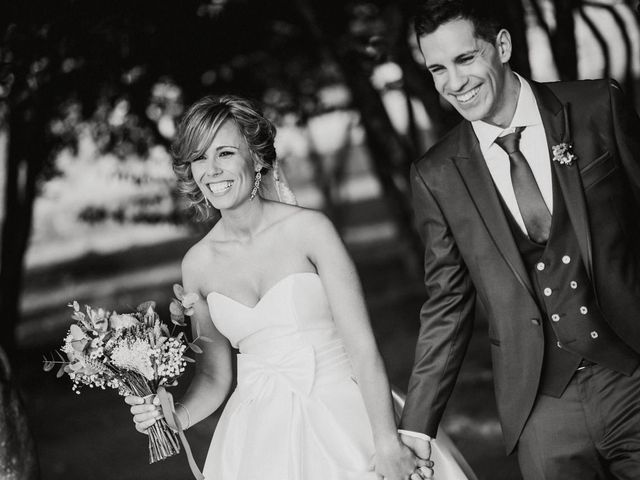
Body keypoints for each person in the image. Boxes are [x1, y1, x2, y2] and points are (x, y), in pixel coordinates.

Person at [123, 94, 451, 480]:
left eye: (225, 153)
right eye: (198, 158)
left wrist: (386, 442)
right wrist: (174, 416)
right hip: (258, 439)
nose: (211, 170)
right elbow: (214, 377)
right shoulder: (197, 263)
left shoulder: (311, 231)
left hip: (344, 415)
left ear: (258, 157)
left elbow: (362, 347)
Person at [399, 1, 640, 479]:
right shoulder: (436, 175)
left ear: (503, 46)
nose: (455, 83)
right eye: (438, 69)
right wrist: (416, 427)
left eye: (466, 59)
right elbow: (447, 303)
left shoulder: (596, 107)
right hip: (542, 406)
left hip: (632, 371)